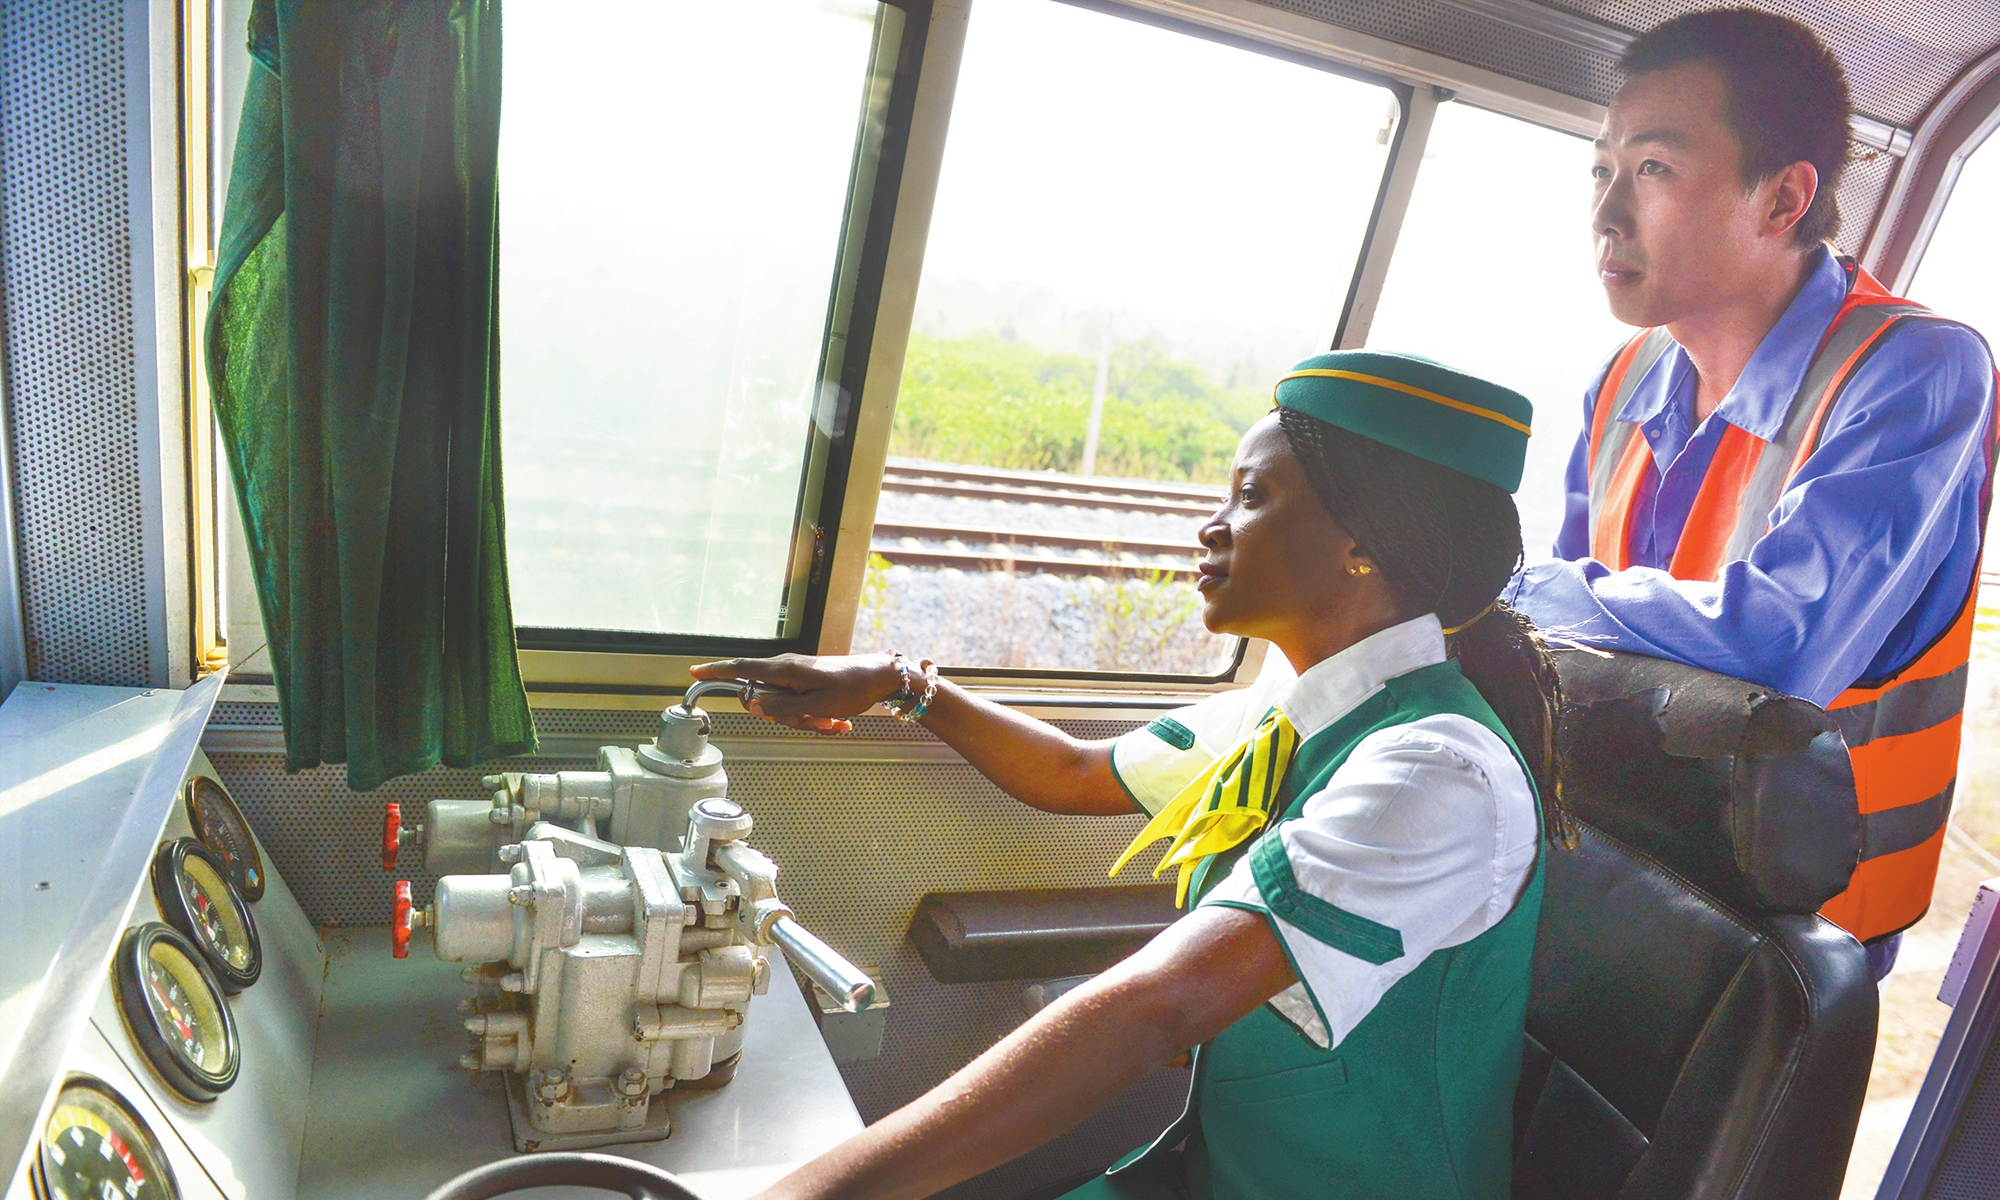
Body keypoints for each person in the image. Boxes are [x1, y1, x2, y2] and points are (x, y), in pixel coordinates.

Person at [696, 351, 1568, 1200]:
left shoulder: (1436, 774)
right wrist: (901, 682)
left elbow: (1161, 1007)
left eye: (1252, 496)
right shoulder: (1297, 708)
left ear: (1364, 543)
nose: (1212, 524)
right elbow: (1077, 772)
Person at [1506, 8, 1998, 969]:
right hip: (1625, 845)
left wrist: (1508, 585)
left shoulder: (1918, 369)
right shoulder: (1621, 379)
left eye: (1653, 170)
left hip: (1796, 919)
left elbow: (1780, 647)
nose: (1606, 212)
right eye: (1602, 170)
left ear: (1782, 200)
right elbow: (1550, 635)